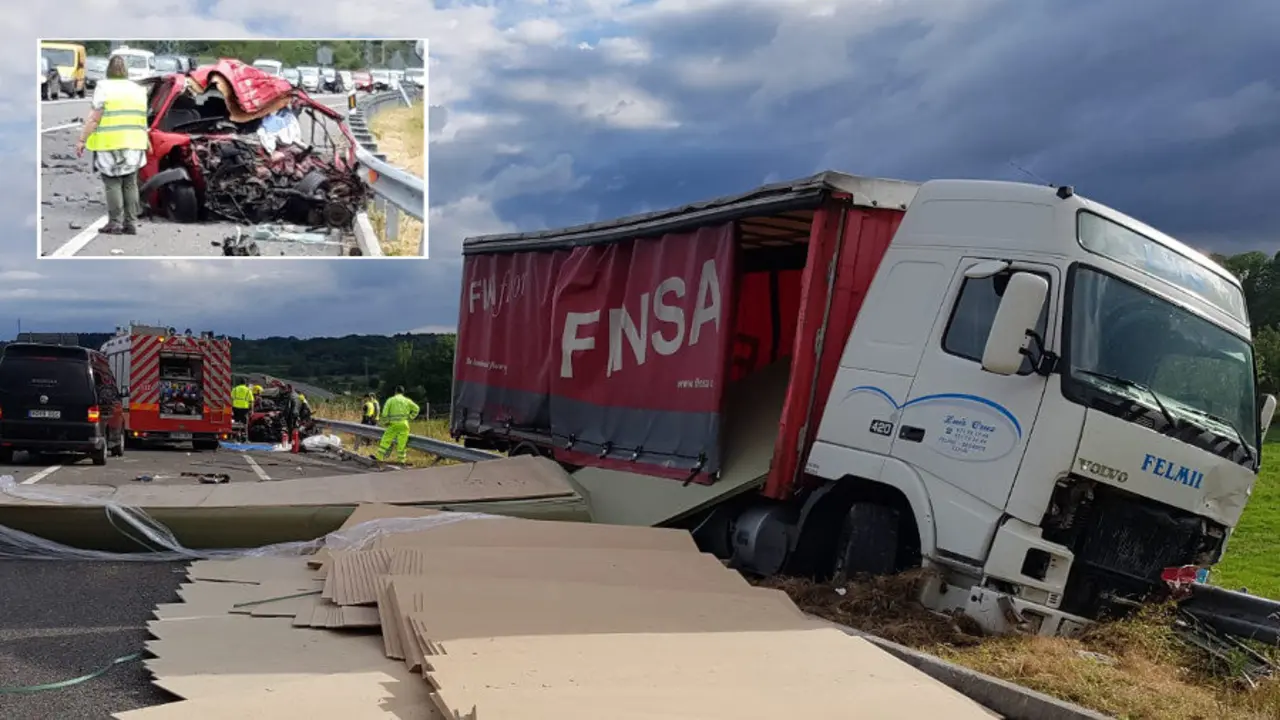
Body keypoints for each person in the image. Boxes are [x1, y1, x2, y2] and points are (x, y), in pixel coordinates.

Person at [75, 55, 149, 235]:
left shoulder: (103, 87)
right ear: (126, 71)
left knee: (112, 183)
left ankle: (115, 222)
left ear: (108, 70)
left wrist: (82, 140)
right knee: (130, 183)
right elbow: (142, 119)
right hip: (135, 142)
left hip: (110, 143)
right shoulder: (138, 90)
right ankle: (131, 223)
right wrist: (147, 141)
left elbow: (94, 119)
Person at [372, 386, 419, 464]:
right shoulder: (407, 401)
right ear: (403, 392)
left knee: (386, 440)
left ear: (395, 391)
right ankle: (401, 460)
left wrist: (386, 421)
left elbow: (384, 413)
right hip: (404, 424)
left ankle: (380, 457)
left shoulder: (391, 400)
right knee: (402, 443)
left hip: (393, 424)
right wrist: (410, 417)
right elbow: (416, 408)